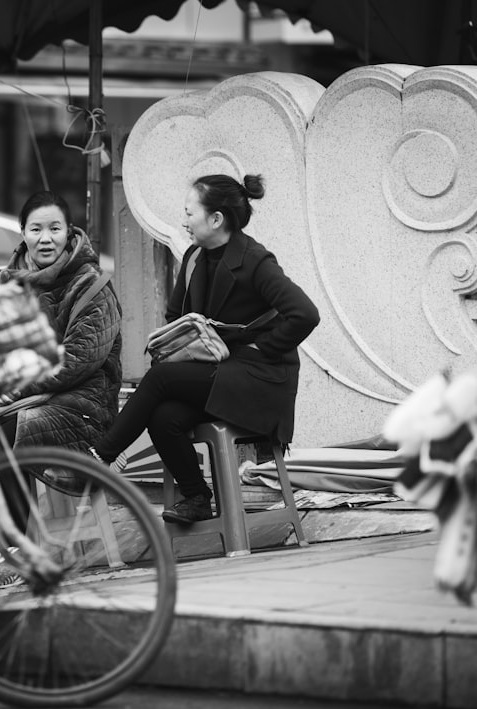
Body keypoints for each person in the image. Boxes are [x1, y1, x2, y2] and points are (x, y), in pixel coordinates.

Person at [89, 173, 320, 524]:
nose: (184, 222)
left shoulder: (256, 261)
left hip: (261, 378)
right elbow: (174, 314)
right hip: (220, 372)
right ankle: (197, 496)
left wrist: (261, 349)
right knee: (163, 416)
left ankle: (101, 457)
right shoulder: (196, 256)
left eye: (189, 213)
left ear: (216, 219)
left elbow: (304, 314)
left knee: (160, 379)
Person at [0, 190, 123, 473]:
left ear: (69, 231)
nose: (46, 239)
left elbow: (76, 360)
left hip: (83, 408)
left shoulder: (91, 285)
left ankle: (12, 519)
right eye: (36, 229)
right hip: (20, 397)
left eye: (55, 229)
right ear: (23, 232)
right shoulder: (6, 282)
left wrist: (15, 388)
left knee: (3, 432)